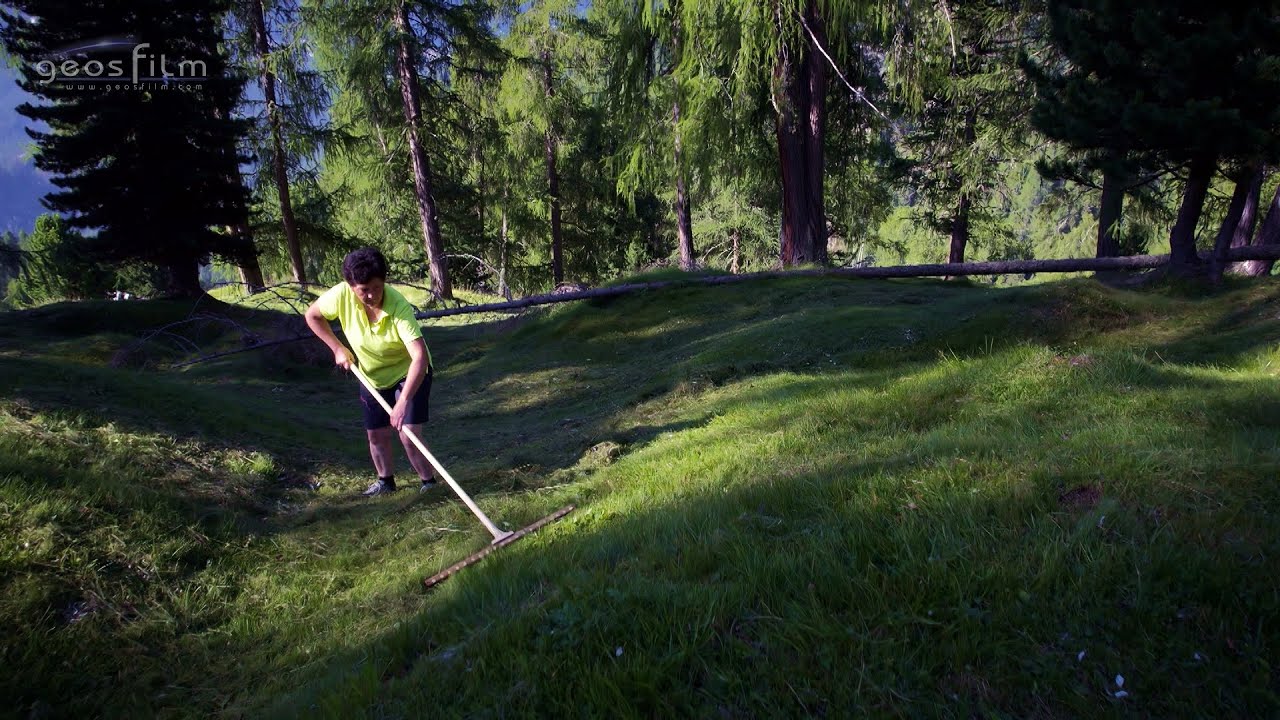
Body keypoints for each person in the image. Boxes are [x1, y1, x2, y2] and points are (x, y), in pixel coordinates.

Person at [304, 247, 437, 496]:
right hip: (371, 376)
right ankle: (386, 482)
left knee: (409, 434)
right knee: (376, 434)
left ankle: (429, 484)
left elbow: (419, 357)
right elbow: (313, 316)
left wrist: (402, 402)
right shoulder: (340, 295)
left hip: (408, 372)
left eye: (377, 287)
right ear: (351, 286)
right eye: (364, 290)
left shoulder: (398, 306)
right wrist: (337, 348)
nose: (372, 295)